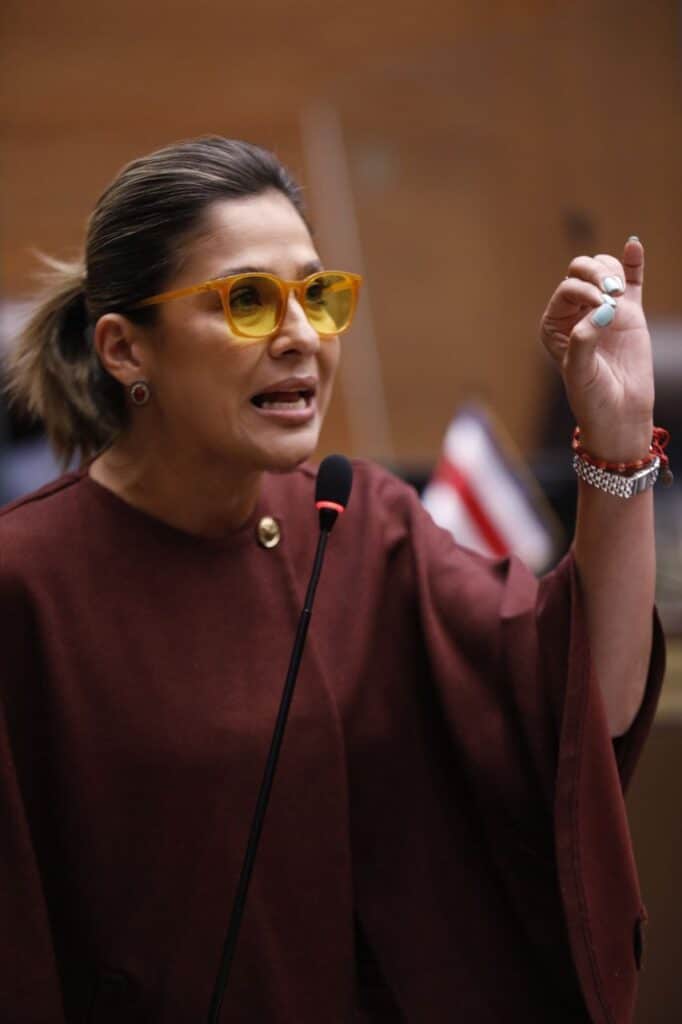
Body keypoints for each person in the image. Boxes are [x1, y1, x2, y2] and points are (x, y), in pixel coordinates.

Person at [0, 136, 665, 1024]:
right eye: (246, 301)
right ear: (124, 350)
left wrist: (618, 444)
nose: (302, 336)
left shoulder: (358, 521)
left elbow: (581, 706)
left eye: (316, 295)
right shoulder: (24, 584)